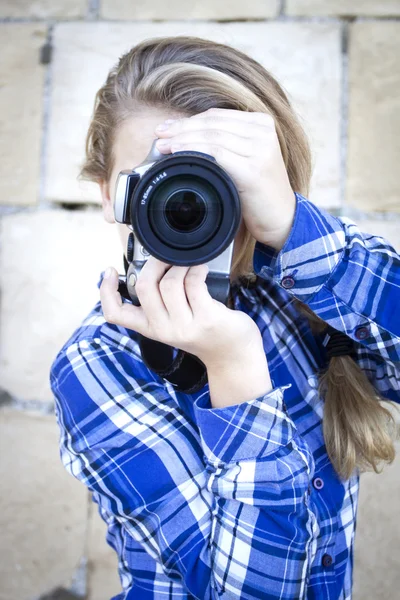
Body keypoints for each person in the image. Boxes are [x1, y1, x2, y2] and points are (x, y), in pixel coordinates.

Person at [49, 35, 400, 600]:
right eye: (154, 179)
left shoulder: (298, 288)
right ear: (107, 194)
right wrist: (234, 372)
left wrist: (293, 226)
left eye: (211, 178)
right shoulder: (100, 361)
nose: (181, 204)